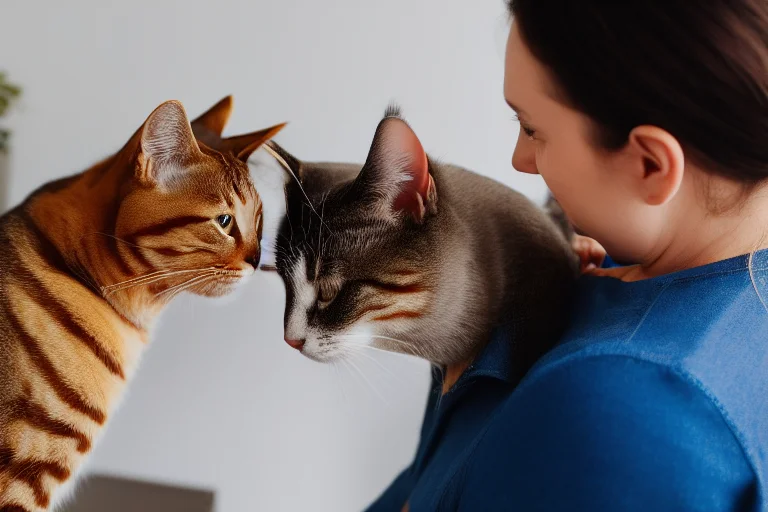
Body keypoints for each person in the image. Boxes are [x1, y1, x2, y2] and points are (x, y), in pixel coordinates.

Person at [370, 1, 768, 510]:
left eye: (533, 129)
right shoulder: (586, 270)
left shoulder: (620, 410)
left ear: (649, 164)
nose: (520, 159)